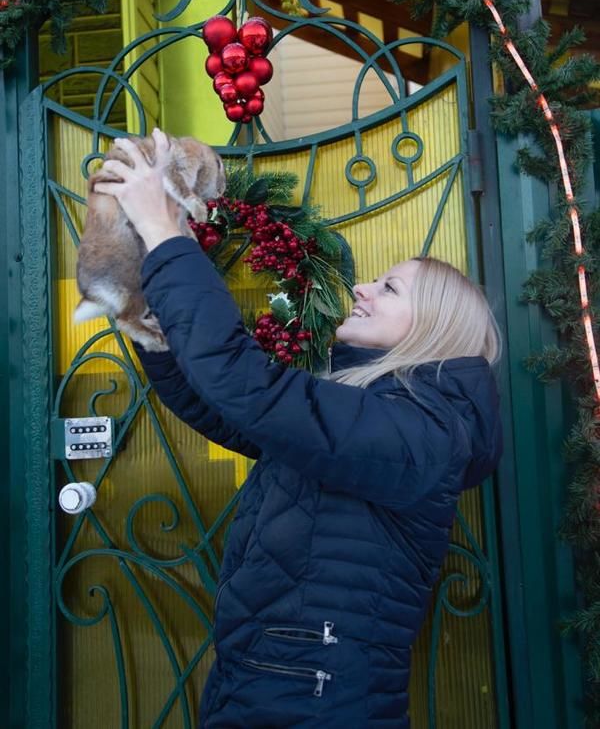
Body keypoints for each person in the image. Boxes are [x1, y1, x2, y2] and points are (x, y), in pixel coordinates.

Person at [94, 127, 503, 729]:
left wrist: (162, 235)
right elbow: (222, 407)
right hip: (271, 680)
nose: (362, 289)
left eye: (389, 287)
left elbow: (247, 386)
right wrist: (152, 318)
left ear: (432, 329)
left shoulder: (424, 434)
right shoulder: (364, 407)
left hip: (315, 700)